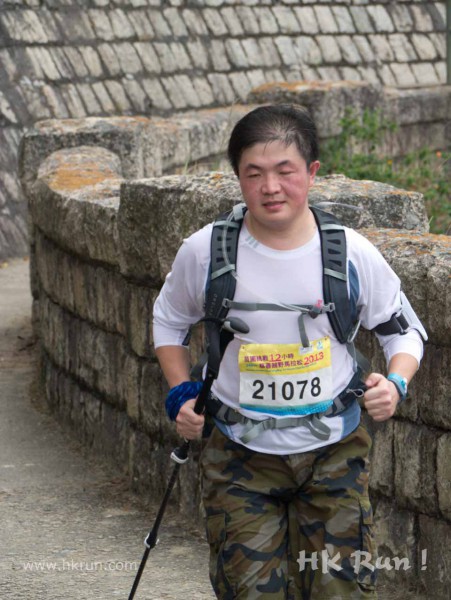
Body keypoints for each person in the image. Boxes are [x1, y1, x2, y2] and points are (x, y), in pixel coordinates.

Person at [152, 104, 426, 599]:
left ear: (312, 172)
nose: (270, 187)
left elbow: (403, 332)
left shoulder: (350, 252)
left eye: (285, 171)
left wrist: (396, 383)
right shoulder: (206, 252)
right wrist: (181, 394)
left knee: (341, 589)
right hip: (238, 453)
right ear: (238, 177)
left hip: (334, 452)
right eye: (254, 174)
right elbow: (169, 321)